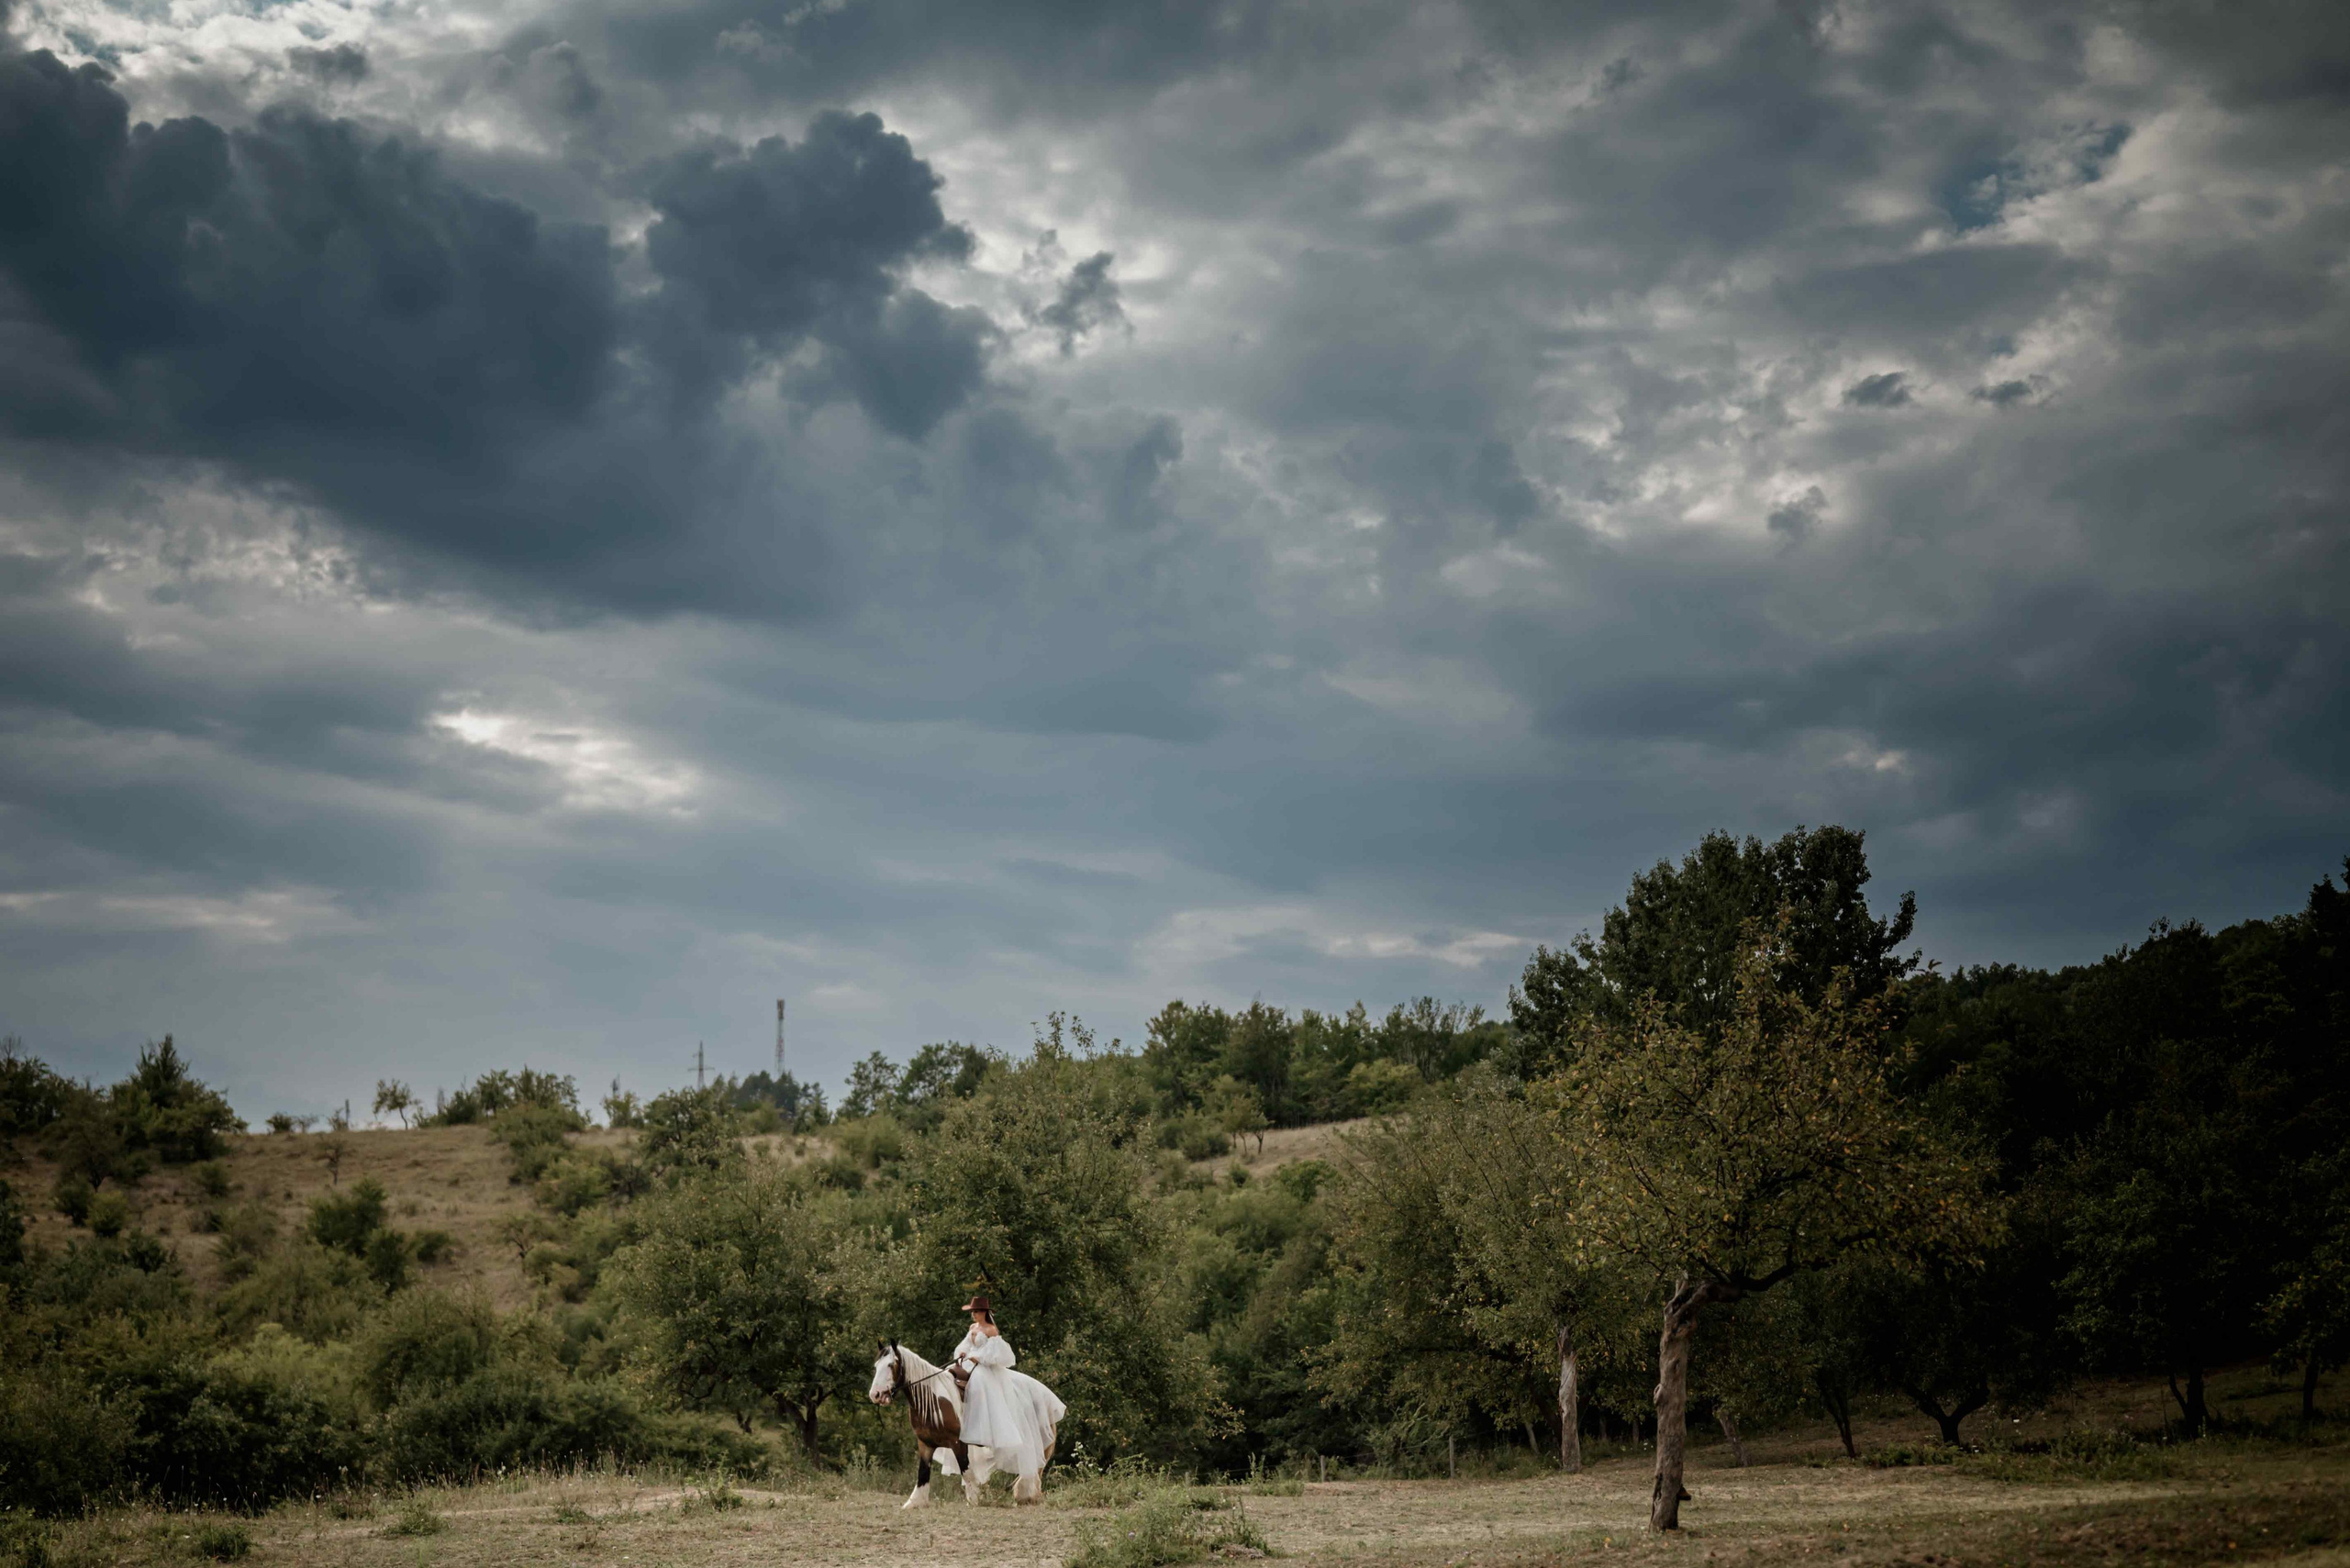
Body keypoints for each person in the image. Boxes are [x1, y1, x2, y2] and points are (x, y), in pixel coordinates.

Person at [950, 1294, 1066, 1494]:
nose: (974, 1315)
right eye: (972, 1312)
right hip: (971, 1364)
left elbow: (998, 1354)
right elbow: (966, 1345)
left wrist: (978, 1357)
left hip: (985, 1369)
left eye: (976, 1312)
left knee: (979, 1386)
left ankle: (985, 1424)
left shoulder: (991, 1330)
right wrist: (963, 1353)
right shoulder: (973, 1329)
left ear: (984, 1312)